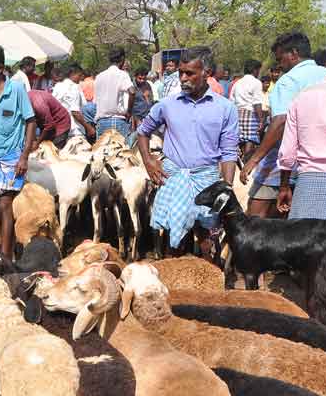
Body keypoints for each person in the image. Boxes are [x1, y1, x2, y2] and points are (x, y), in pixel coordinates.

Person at [137, 46, 238, 259]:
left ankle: (209, 285)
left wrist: (226, 188)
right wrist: (148, 161)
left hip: (206, 181)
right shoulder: (166, 105)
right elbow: (143, 131)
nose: (183, 78)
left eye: (189, 73)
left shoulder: (225, 108)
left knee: (207, 242)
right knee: (173, 243)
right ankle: (172, 288)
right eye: (181, 72)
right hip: (175, 179)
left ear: (206, 73)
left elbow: (229, 152)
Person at [240, 31, 326, 218]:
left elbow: (280, 122)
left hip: (287, 163)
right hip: (319, 167)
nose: (279, 64)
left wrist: (254, 160)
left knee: (255, 217)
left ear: (294, 54)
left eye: (280, 58)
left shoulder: (288, 81)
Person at [0, 44, 36, 260]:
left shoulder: (17, 89)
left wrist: (24, 156)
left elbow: (30, 121)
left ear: (0, 68)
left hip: (12, 157)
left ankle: (6, 258)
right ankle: (5, 246)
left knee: (5, 204)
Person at [276, 56, 326, 220]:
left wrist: (284, 186)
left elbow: (287, 153)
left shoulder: (304, 96)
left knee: (304, 243)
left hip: (310, 186)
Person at [93, 47, 135, 137]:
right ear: (122, 59)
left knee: (102, 150)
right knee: (120, 150)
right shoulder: (123, 75)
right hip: (117, 121)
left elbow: (95, 101)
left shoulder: (99, 76)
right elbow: (132, 91)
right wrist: (129, 112)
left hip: (101, 122)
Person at [230, 59, 264, 160]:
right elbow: (257, 102)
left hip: (237, 113)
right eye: (258, 70)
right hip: (251, 114)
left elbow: (231, 100)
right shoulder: (256, 82)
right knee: (251, 140)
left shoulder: (237, 83)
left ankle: (240, 162)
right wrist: (261, 120)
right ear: (255, 70)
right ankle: (246, 162)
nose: (258, 73)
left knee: (240, 140)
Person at [52, 64, 95, 139]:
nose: (81, 78)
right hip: (75, 131)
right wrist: (89, 128)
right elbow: (75, 112)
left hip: (60, 130)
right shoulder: (74, 87)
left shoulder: (57, 87)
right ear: (72, 74)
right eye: (79, 75)